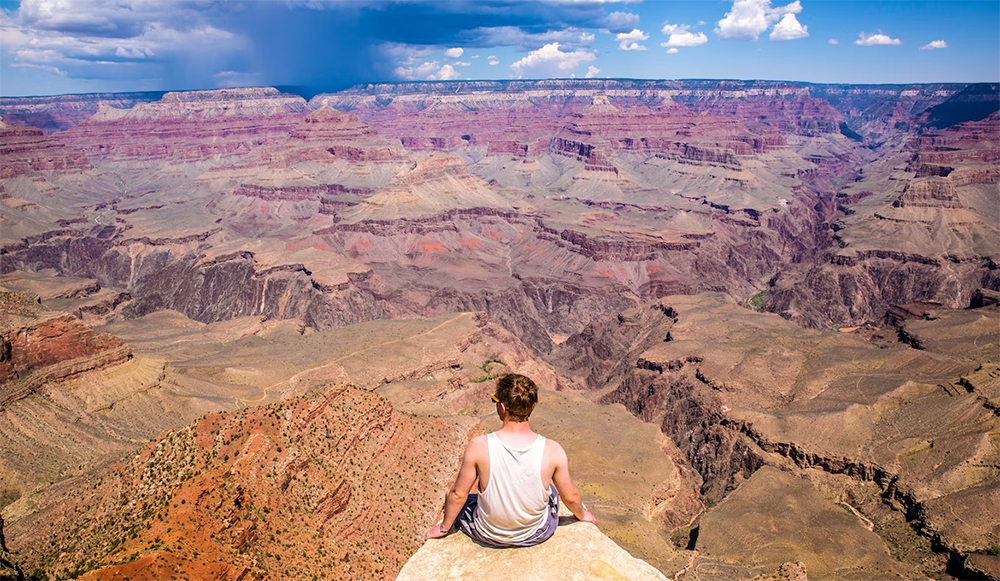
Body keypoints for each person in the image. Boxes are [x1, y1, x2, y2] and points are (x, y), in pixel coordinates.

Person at [425, 373, 596, 548]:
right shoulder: (553, 450)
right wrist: (582, 515)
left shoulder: (478, 446)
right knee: (551, 490)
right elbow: (570, 496)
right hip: (535, 533)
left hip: (488, 533)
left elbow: (458, 494)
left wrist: (444, 528)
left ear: (503, 407)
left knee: (465, 498)